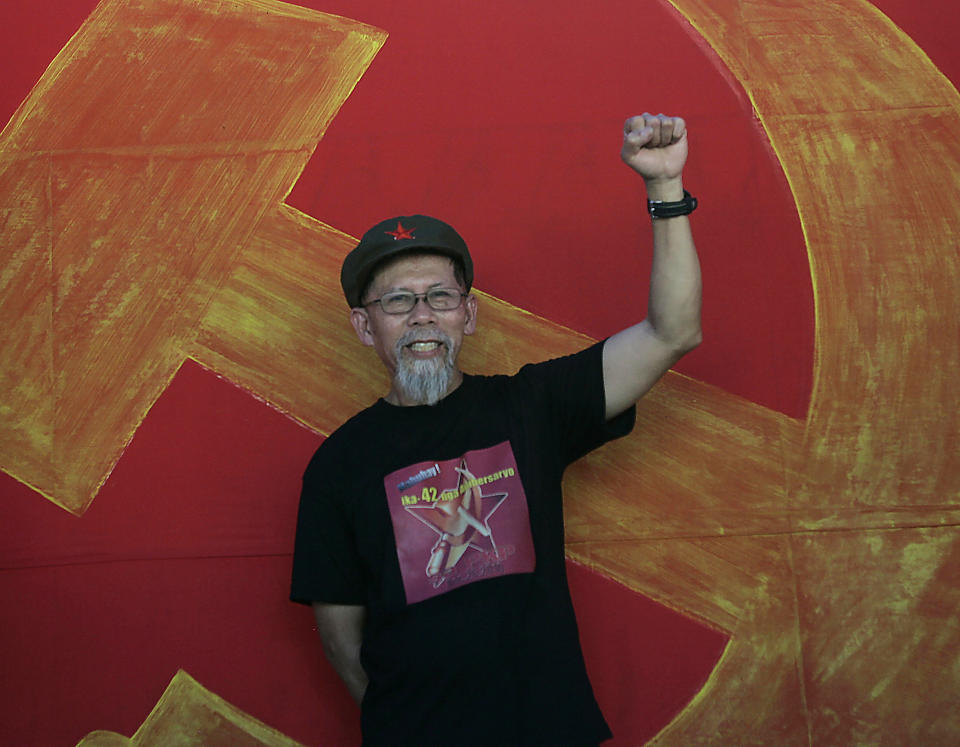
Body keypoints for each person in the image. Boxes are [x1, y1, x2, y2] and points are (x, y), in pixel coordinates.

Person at [290, 113, 702, 745]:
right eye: (397, 301)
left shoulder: (532, 406)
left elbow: (672, 334)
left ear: (469, 315)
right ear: (365, 327)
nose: (422, 316)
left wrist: (665, 191)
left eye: (441, 297)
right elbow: (340, 637)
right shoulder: (338, 464)